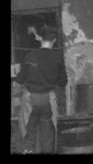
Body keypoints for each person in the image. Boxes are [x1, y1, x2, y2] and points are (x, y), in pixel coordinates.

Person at [14, 24, 67, 154]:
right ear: (54, 40)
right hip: (48, 99)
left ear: (40, 39)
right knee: (47, 136)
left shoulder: (29, 56)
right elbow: (63, 82)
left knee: (28, 133)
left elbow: (20, 79)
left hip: (30, 99)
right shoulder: (58, 57)